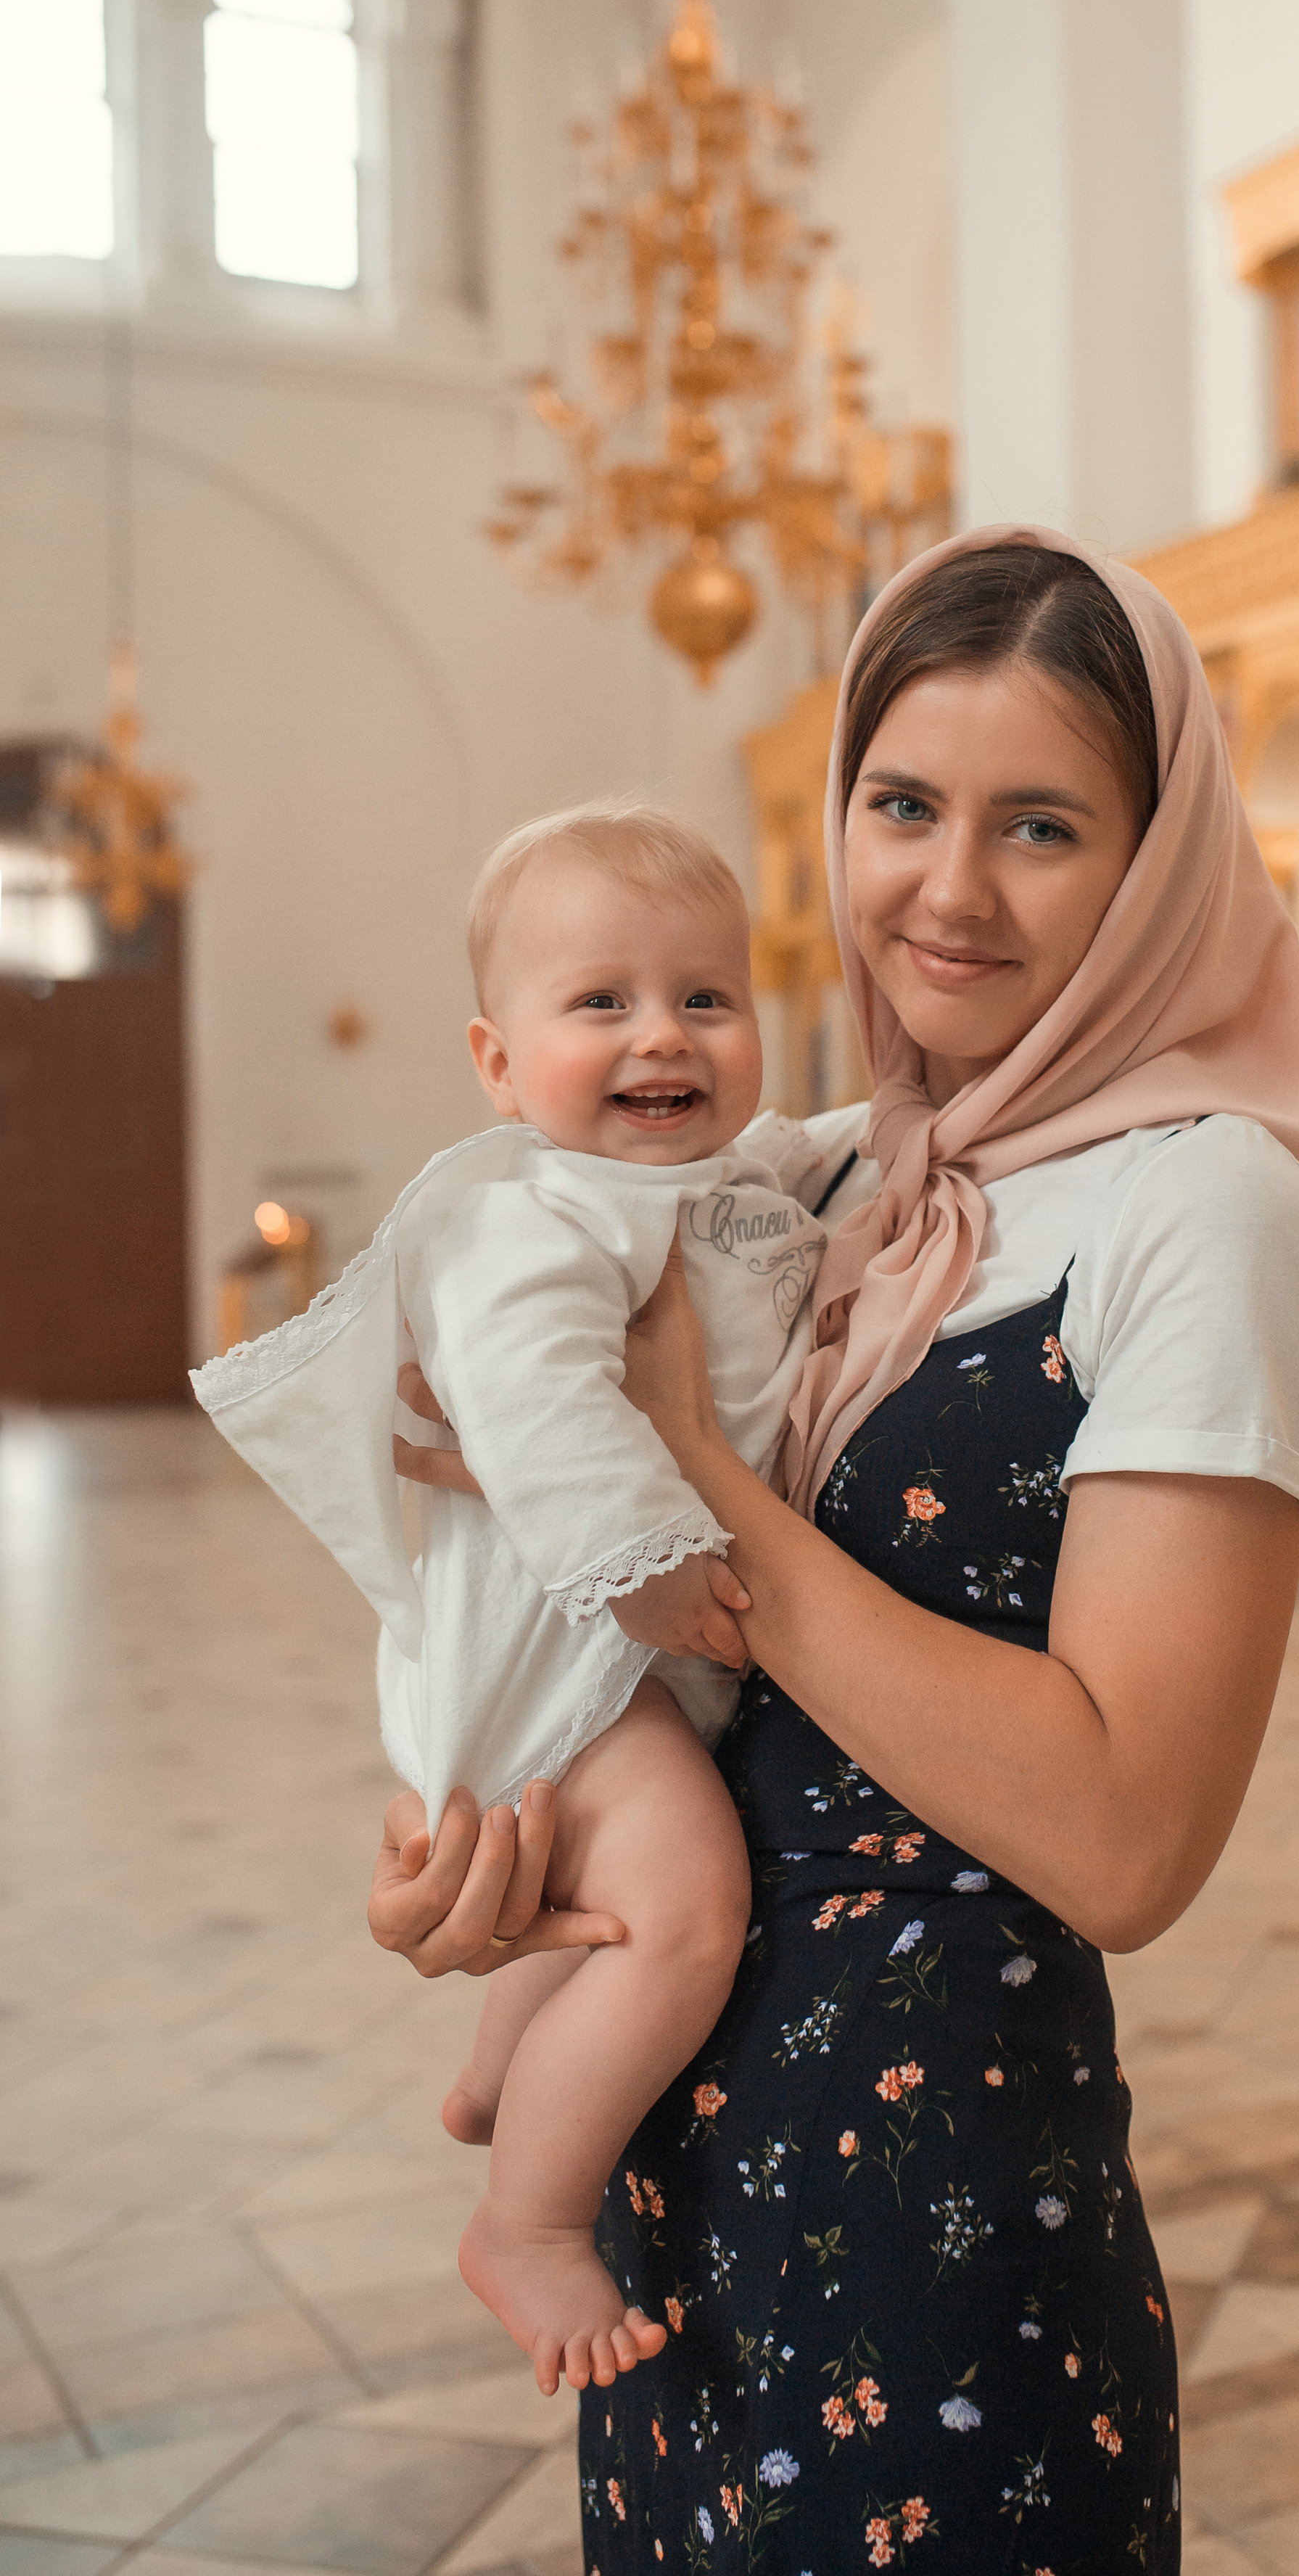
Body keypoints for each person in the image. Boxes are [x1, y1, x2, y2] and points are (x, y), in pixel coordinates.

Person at [381, 529, 1299, 2571]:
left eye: (1044, 826)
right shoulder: (801, 1175)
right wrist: (490, 1860)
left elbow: (1126, 1843)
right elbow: (511, 1525)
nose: (948, 888)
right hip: (672, 2174)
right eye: (901, 806)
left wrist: (688, 1481)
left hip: (934, 2197)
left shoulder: (1210, 1210)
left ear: (1158, 860)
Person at [195, 802, 857, 2396]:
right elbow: (530, 1397)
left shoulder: (714, 1176)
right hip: (565, 1643)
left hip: (612, 1648)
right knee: (686, 1908)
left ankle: (506, 2065)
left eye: (707, 998)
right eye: (602, 1004)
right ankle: (531, 2221)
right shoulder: (526, 1213)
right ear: (497, 1065)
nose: (664, 1038)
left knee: (618, 1889)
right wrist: (638, 1567)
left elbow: (808, 1159)